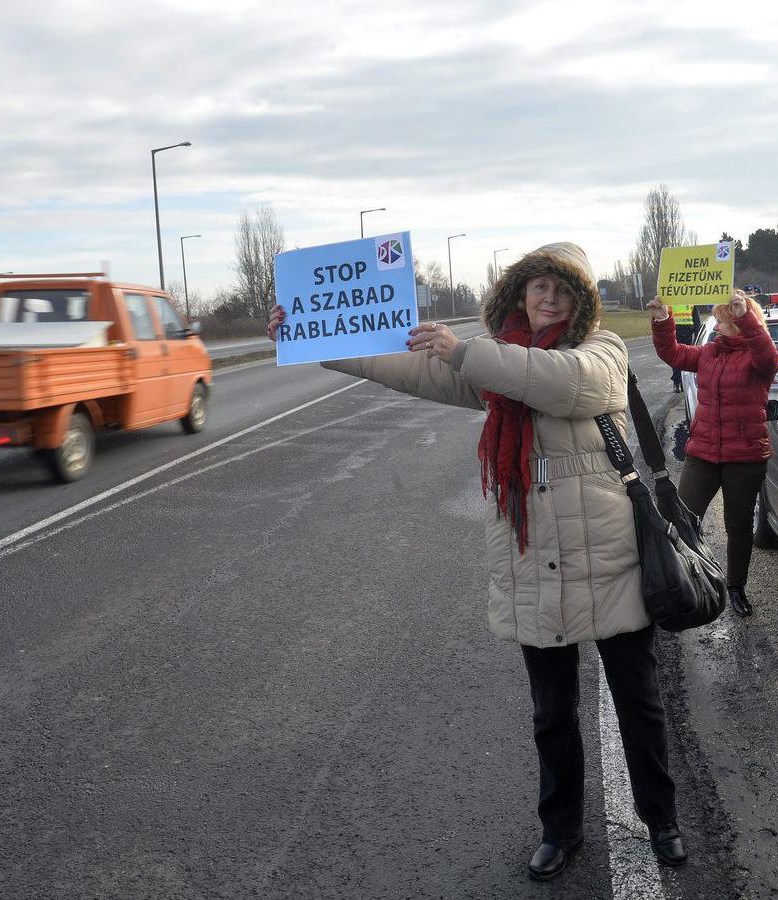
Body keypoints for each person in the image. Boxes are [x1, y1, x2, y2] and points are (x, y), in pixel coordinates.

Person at [268, 242, 686, 882]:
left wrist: (464, 350)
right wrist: (310, 338)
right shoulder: (494, 367)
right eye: (536, 287)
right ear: (520, 294)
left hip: (611, 562)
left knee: (639, 702)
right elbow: (398, 368)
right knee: (551, 712)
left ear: (580, 301)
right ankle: (561, 829)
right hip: (534, 562)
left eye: (561, 290)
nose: (547, 298)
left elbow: (562, 383)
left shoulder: (600, 350)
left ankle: (662, 821)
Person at [649, 290, 778, 617]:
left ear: (739, 324)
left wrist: (747, 316)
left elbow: (770, 359)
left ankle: (736, 587)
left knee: (737, 526)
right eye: (719, 320)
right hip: (703, 455)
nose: (718, 326)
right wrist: (663, 320)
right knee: (680, 519)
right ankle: (682, 580)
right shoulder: (709, 354)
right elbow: (673, 353)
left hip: (744, 458)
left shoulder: (757, 358)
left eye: (723, 320)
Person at [669, 307, 697, 391]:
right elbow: (696, 320)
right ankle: (681, 382)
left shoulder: (670, 300)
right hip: (685, 331)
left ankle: (678, 383)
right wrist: (697, 334)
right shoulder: (689, 299)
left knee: (677, 356)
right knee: (685, 357)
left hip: (677, 331)